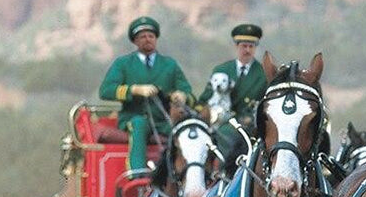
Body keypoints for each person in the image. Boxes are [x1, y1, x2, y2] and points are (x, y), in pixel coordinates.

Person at [99, 16, 195, 172]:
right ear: (135, 41)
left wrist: (182, 96)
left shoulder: (169, 64)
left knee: (187, 131)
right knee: (139, 124)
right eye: (142, 37)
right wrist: (134, 90)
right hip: (133, 117)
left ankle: (186, 173)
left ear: (156, 39)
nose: (147, 39)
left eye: (151, 36)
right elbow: (106, 90)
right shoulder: (123, 63)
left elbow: (188, 93)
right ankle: (137, 172)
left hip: (163, 119)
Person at [198, 23, 267, 158]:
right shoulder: (221, 70)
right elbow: (205, 98)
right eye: (244, 46)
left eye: (251, 46)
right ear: (236, 46)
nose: (247, 50)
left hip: (249, 125)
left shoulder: (263, 74)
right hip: (219, 122)